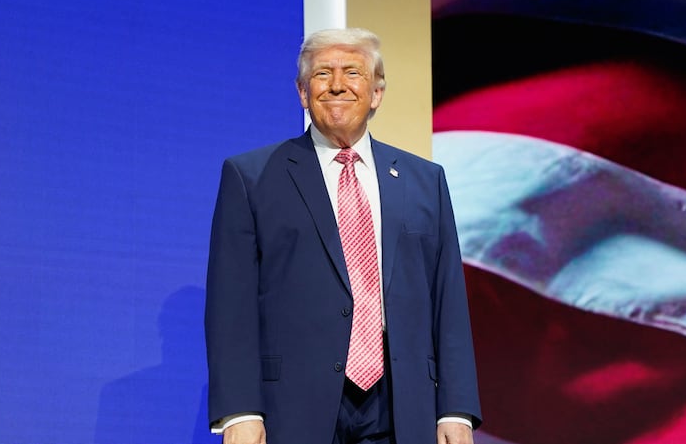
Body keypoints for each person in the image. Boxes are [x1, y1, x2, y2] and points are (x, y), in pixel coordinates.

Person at [205, 27, 482, 444]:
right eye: (322, 74)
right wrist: (239, 410)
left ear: (376, 93)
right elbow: (231, 304)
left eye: (352, 72)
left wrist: (456, 410)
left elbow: (448, 299)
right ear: (302, 92)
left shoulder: (425, 180)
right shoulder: (252, 177)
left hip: (403, 406)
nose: (337, 85)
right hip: (293, 408)